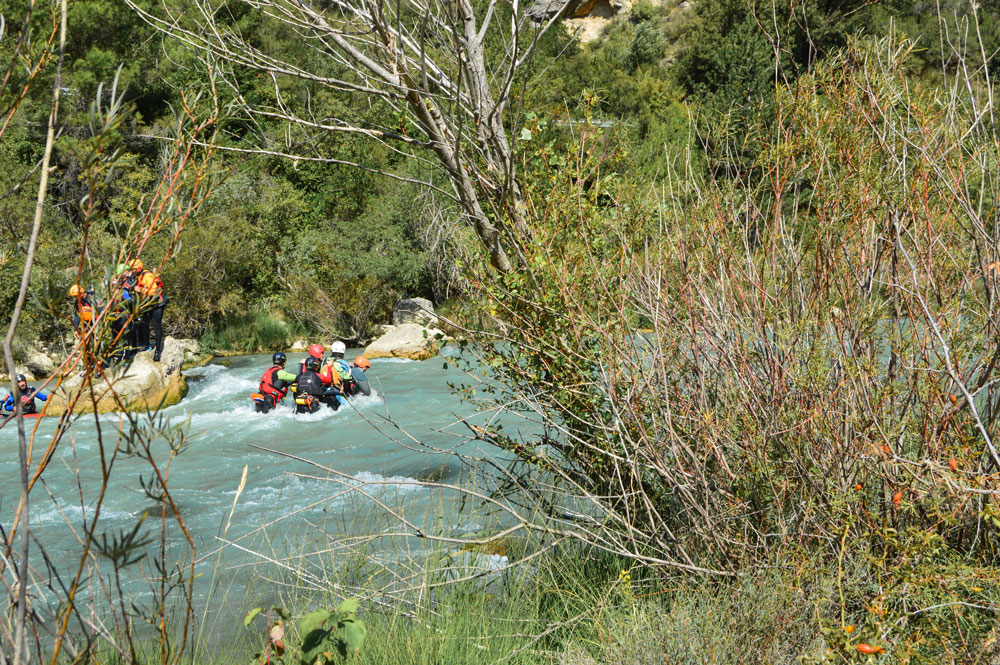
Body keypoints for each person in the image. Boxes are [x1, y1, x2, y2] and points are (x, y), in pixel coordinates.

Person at [134, 260, 168, 362]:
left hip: (158, 303)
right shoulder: (139, 277)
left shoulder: (147, 276)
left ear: (139, 268)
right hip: (149, 303)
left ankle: (158, 352)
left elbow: (153, 292)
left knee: (156, 325)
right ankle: (145, 344)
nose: (132, 271)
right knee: (144, 322)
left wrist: (140, 290)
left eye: (134, 269)